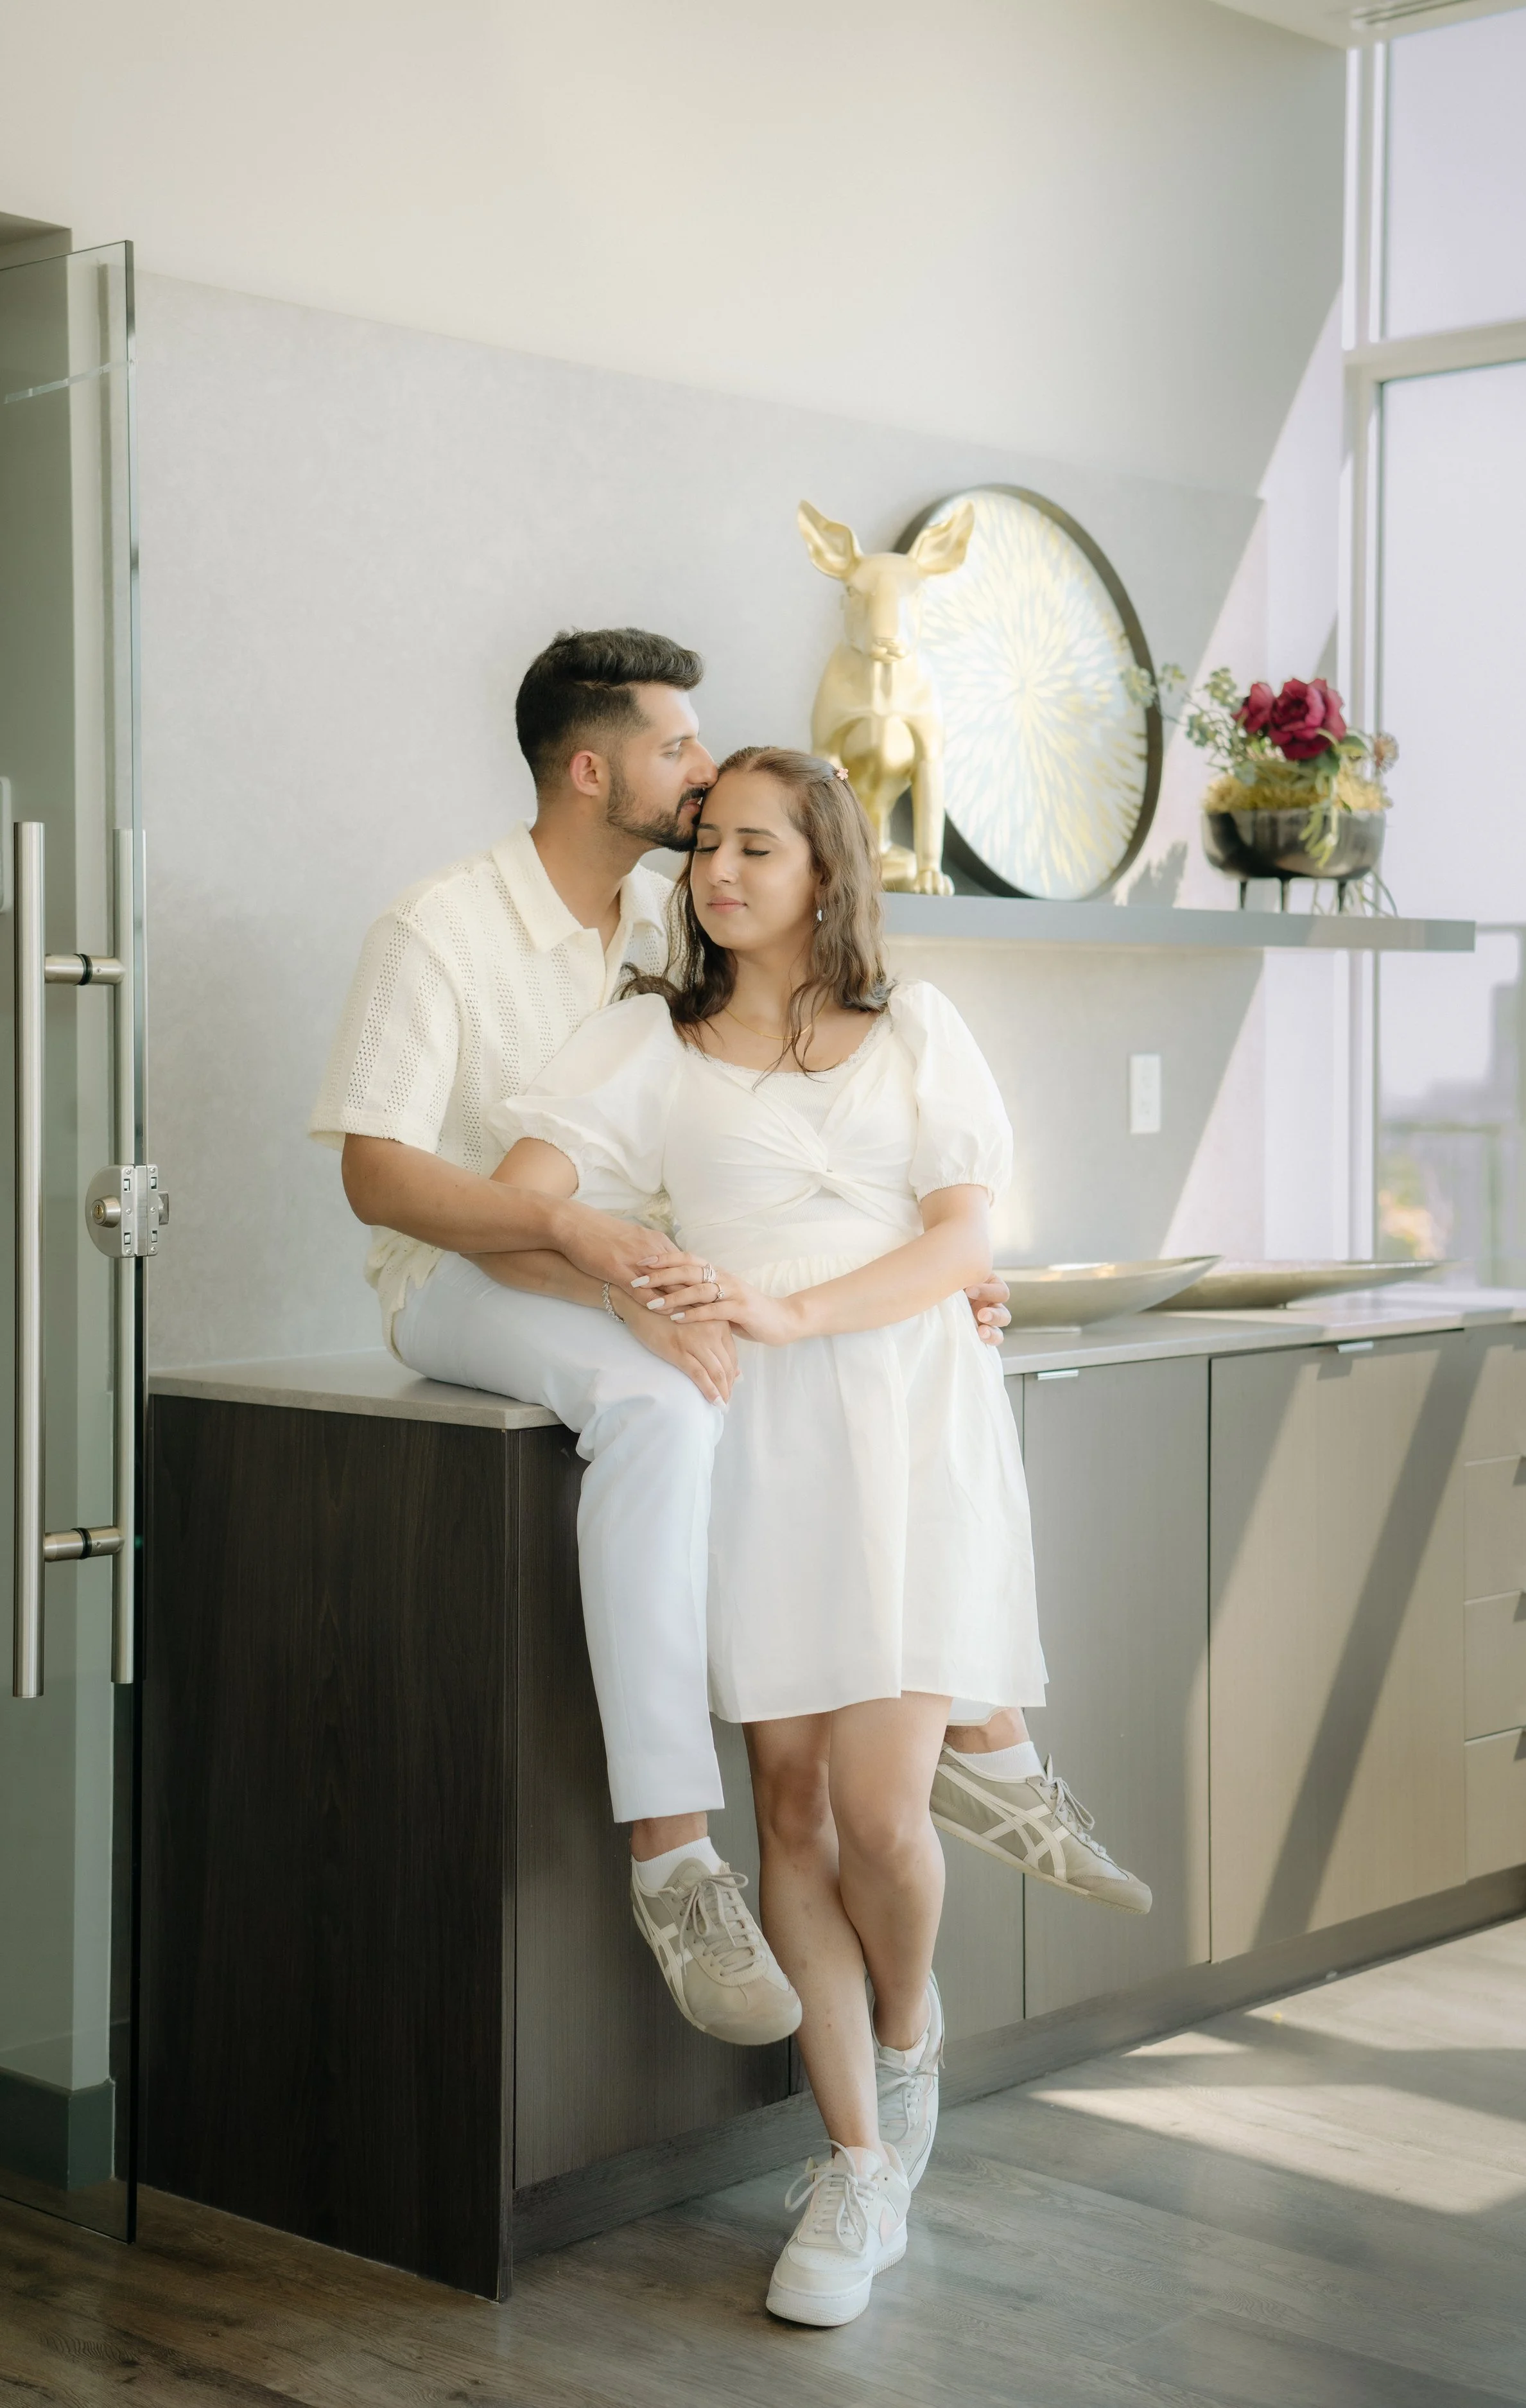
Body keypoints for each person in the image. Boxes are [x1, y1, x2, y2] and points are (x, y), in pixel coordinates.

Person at [311, 631, 1146, 2057]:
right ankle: (674, 1858)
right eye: (677, 752)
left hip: (645, 1279)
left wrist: (935, 1280)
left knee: (769, 1395)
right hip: (461, 1271)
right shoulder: (436, 928)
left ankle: (977, 1735)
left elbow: (761, 1135)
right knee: (663, 1409)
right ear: (593, 769)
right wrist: (588, 1261)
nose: (701, 792)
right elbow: (379, 1181)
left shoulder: (670, 921)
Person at [481, 747, 1045, 2326]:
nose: (717, 873)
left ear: (823, 870)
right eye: (704, 848)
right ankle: (855, 2161)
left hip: (900, 1441)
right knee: (786, 1803)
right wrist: (617, 1282)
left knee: (879, 1816)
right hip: (755, 1445)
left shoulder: (916, 1028)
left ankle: (909, 2026)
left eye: (754, 848)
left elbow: (962, 1236)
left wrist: (800, 1304)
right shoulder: (637, 1042)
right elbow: (518, 1212)